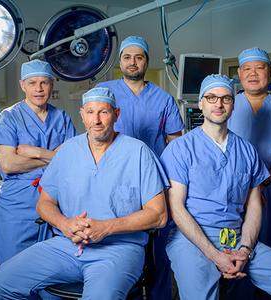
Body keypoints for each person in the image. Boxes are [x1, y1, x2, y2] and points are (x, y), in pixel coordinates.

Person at [0, 87, 168, 300]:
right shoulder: (68, 151)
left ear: (116, 114)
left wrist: (106, 227)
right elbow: (45, 203)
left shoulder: (138, 152)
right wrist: (64, 224)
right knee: (1, 283)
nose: (96, 120)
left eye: (103, 112)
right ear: (82, 115)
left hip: (118, 250)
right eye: (90, 112)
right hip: (66, 246)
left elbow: (158, 215)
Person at [160, 74, 271, 300]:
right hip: (191, 238)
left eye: (225, 98)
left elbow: (254, 207)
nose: (219, 104)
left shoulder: (247, 151)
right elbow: (176, 207)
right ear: (201, 103)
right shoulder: (181, 149)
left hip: (235, 238)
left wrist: (244, 249)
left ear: (233, 105)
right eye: (211, 98)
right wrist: (214, 255)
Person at [97, 36, 184, 300]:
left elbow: (175, 145)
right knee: (120, 250)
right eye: (127, 57)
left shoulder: (164, 99)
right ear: (120, 61)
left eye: (139, 57)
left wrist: (171, 185)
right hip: (114, 183)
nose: (133, 62)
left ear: (146, 61)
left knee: (159, 254)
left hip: (153, 185)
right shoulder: (105, 92)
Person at [0, 59, 76, 266]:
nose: (39, 89)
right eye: (32, 83)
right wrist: (51, 158)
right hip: (17, 206)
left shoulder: (62, 118)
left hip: (55, 201)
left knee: (51, 273)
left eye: (44, 82)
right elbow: (8, 164)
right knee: (12, 271)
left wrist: (35, 152)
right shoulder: (9, 118)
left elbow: (71, 162)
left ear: (52, 84)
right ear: (23, 85)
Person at [228, 47, 271, 259]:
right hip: (236, 192)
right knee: (237, 253)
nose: (253, 73)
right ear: (239, 74)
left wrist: (261, 182)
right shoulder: (227, 106)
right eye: (247, 68)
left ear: (270, 71)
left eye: (259, 68)